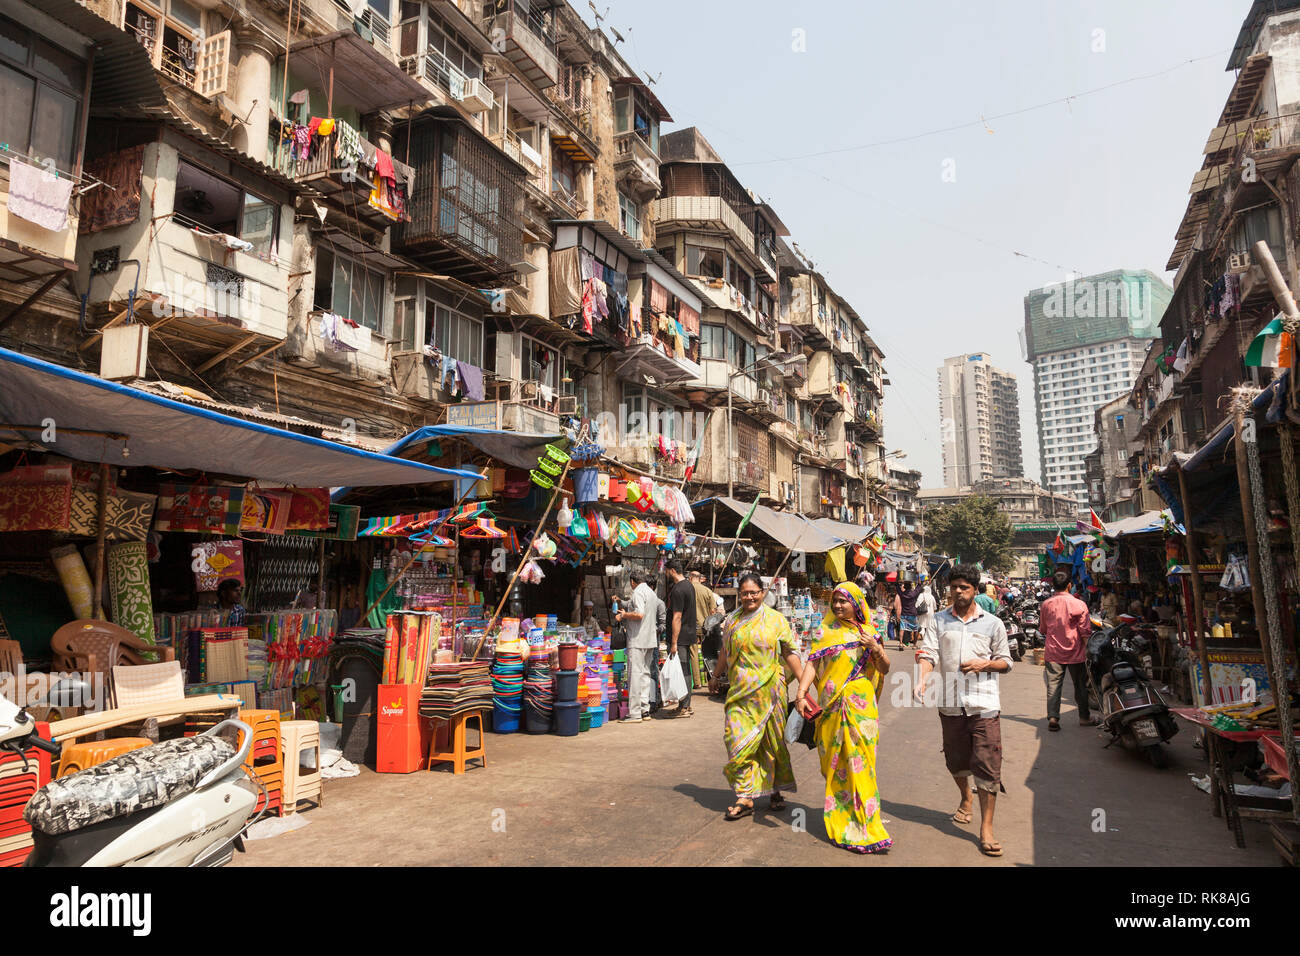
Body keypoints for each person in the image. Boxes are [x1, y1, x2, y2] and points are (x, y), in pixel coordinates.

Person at [915, 564, 1013, 858]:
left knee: (987, 765)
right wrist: (922, 678)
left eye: (964, 587)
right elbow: (928, 652)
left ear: (974, 590)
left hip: (984, 704)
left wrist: (985, 664)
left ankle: (986, 828)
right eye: (954, 586)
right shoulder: (938, 621)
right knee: (956, 761)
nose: (958, 592)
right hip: (950, 704)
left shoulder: (993, 623)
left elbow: (1006, 662)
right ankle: (965, 797)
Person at [795, 581, 892, 854]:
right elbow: (812, 665)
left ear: (857, 603)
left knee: (861, 764)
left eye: (844, 601)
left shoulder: (870, 633)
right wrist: (801, 694)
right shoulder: (823, 631)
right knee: (835, 765)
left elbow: (884, 668)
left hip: (860, 710)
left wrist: (875, 647)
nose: (837, 605)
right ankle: (842, 816)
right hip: (830, 708)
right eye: (835, 600)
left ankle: (866, 824)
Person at [709, 572, 804, 820]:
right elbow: (724, 652)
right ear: (739, 595)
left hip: (770, 693)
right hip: (740, 694)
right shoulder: (732, 621)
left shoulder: (776, 621)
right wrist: (716, 676)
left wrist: (804, 685)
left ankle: (774, 791)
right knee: (736, 740)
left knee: (771, 744)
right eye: (744, 593)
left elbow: (790, 653)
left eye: (754, 592)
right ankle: (745, 795)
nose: (749, 597)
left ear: (763, 593)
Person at [1040, 570, 1095, 731]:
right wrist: (1089, 652)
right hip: (1076, 652)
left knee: (1053, 686)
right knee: (1080, 686)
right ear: (1069, 585)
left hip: (1053, 652)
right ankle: (1084, 717)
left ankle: (1053, 717)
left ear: (1053, 585)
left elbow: (1043, 629)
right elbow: (1085, 631)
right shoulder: (1079, 604)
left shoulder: (1046, 604)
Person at [616, 571, 659, 723]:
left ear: (633, 582)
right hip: (649, 639)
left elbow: (639, 614)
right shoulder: (651, 593)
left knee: (635, 675)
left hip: (638, 639)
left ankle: (634, 713)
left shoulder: (638, 592)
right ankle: (644, 709)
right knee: (645, 674)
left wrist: (624, 615)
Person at [664, 560, 698, 718]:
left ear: (671, 571)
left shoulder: (678, 589)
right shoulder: (689, 585)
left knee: (683, 671)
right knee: (686, 670)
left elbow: (677, 617)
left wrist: (674, 642)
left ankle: (684, 707)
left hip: (681, 637)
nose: (665, 574)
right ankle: (685, 705)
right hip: (689, 634)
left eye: (666, 571)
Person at [689, 570, 722, 685]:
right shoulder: (707, 591)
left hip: (690, 626)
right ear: (700, 578)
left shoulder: (687, 589)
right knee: (707, 653)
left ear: (690, 577)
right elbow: (713, 611)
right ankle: (709, 679)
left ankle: (697, 682)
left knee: (693, 653)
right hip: (705, 627)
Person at [897, 580, 922, 648]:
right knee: (915, 629)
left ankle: (901, 643)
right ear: (911, 587)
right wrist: (918, 575)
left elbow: (897, 587)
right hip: (913, 614)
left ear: (904, 587)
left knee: (902, 628)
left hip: (904, 614)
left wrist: (899, 580)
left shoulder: (902, 594)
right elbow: (919, 585)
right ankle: (914, 645)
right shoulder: (913, 594)